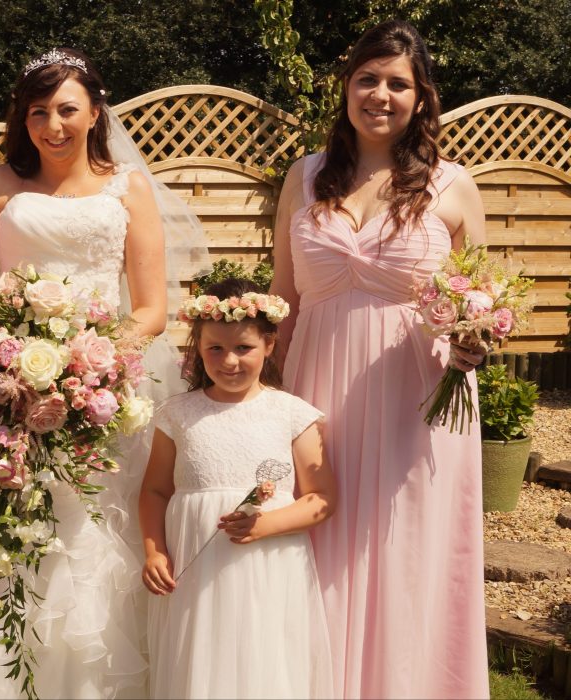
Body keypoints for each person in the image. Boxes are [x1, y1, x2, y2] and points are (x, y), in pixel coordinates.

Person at [0, 47, 208, 699]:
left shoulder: (128, 187)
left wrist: (87, 366)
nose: (52, 124)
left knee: (90, 547)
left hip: (100, 396)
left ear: (95, 111)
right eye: (38, 111)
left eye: (67, 109)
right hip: (3, 392)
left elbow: (154, 308)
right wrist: (2, 364)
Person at [269, 20, 489, 699]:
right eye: (368, 78)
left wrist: (475, 337)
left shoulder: (454, 185)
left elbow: (480, 293)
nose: (381, 95)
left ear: (422, 97)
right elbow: (283, 299)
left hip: (417, 400)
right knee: (317, 541)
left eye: (399, 83)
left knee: (404, 551)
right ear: (346, 87)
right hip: (316, 395)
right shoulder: (303, 178)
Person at [138, 278, 336, 699]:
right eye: (215, 349)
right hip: (194, 569)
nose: (229, 361)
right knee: (199, 659)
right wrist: (155, 549)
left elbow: (321, 498)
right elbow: (155, 490)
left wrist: (268, 523)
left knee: (264, 658)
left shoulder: (292, 413)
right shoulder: (176, 415)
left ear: (269, 345)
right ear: (197, 350)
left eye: (243, 347)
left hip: (268, 567)